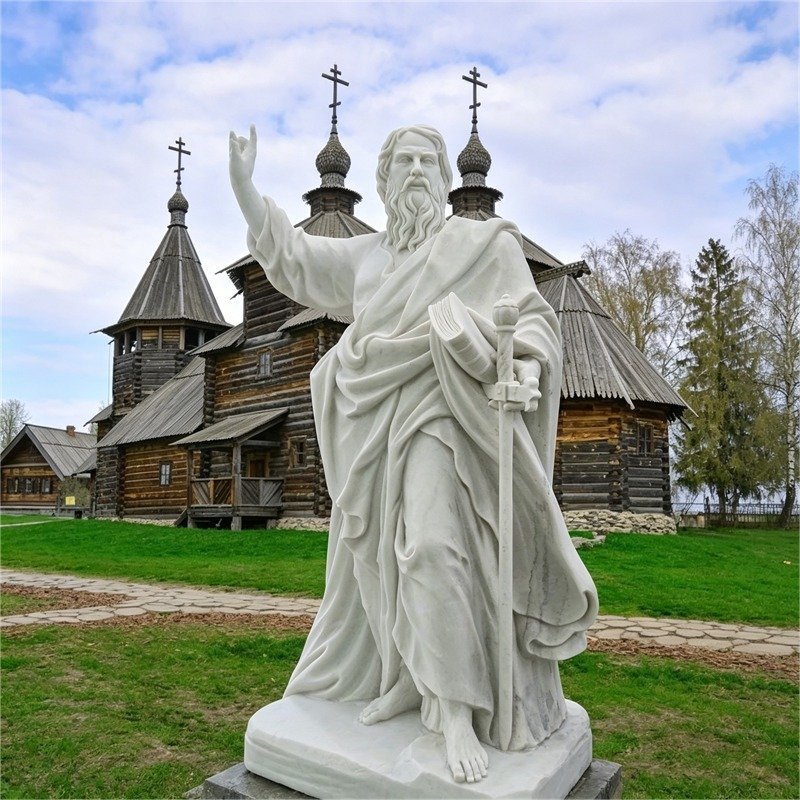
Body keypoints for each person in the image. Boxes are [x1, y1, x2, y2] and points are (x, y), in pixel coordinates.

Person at [229, 123, 597, 784]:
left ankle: (455, 709)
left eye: (430, 160)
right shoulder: (366, 257)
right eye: (406, 161)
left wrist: (525, 365)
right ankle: (407, 678)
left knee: (430, 549)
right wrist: (244, 185)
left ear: (444, 177)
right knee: (378, 564)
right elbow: (292, 259)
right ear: (385, 179)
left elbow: (534, 319)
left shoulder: (483, 243)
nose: (420, 170)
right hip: (369, 430)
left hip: (445, 417)